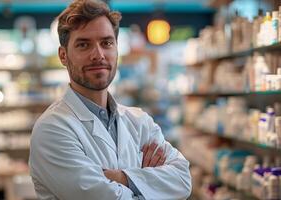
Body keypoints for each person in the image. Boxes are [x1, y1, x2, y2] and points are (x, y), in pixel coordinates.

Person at [29, 0, 191, 199]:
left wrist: (122, 178)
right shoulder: (52, 129)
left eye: (106, 43)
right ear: (63, 56)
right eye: (83, 45)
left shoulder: (139, 121)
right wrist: (150, 184)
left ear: (116, 49)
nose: (98, 55)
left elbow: (183, 180)